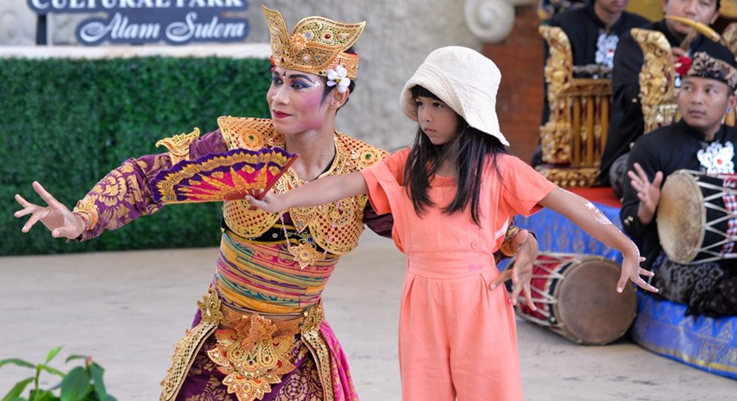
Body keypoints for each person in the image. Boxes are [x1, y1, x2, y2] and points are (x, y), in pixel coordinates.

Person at [13, 7, 538, 401]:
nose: (277, 96)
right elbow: (150, 179)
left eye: (297, 84)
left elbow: (436, 226)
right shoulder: (240, 148)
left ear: (338, 95)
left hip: (300, 352)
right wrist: (81, 217)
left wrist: (515, 239)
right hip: (219, 341)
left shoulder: (368, 171)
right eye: (275, 79)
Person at [247, 46, 657, 401]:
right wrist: (281, 199)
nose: (425, 115)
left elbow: (569, 203)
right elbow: (342, 185)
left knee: (487, 389)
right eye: (421, 104)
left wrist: (625, 245)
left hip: (477, 299)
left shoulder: (501, 169)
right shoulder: (406, 165)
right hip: (420, 298)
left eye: (438, 105)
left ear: (466, 110)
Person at [598, 0, 735, 191]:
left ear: (714, 15)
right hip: (638, 153)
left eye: (704, 3)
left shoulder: (719, 52)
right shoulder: (636, 42)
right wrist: (658, 72)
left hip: (707, 155)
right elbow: (625, 101)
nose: (691, 9)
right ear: (665, 2)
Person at [624, 51, 737, 317]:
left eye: (709, 91)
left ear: (731, 100)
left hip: (732, 253)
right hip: (670, 260)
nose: (696, 98)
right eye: (688, 88)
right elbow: (629, 220)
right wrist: (646, 212)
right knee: (721, 288)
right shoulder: (652, 146)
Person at [534, 0, 648, 165]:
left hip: (624, 137)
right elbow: (555, 93)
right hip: (573, 128)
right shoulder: (564, 27)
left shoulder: (642, 30)